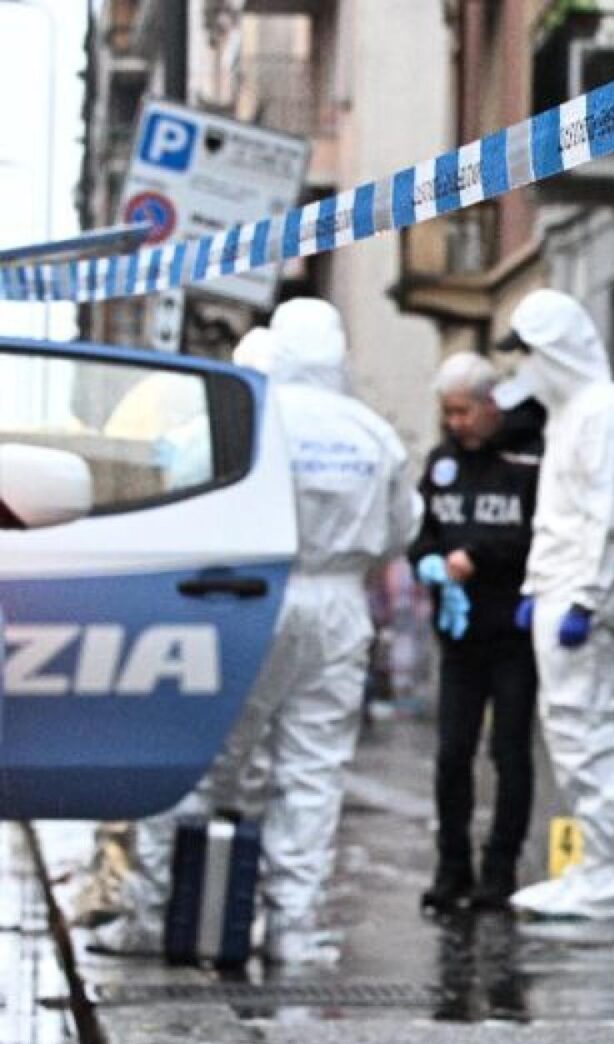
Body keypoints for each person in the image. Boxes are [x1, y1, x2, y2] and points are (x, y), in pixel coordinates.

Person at [98, 299, 412, 965]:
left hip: (244, 596)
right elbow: (399, 530)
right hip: (339, 605)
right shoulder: (370, 432)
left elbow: (176, 496)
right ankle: (294, 927)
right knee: (313, 770)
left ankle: (158, 913)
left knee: (200, 759)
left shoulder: (248, 416)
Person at [497, 288, 614, 919]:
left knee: (584, 734)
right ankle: (613, 861)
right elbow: (559, 516)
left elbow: (610, 518)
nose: (523, 367)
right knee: (573, 732)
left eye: (530, 353)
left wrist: (584, 598)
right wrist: (537, 588)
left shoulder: (605, 411)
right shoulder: (569, 413)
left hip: (581, 592)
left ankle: (602, 874)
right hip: (560, 586)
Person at [410, 352, 544, 913]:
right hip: (458, 637)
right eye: (448, 413)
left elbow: (539, 536)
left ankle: (500, 868)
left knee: (509, 752)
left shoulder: (528, 461)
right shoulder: (441, 465)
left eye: (464, 412)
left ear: (491, 406)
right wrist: (432, 561)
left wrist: (478, 556)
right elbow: (420, 535)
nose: (455, 423)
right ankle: (452, 867)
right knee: (451, 755)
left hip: (511, 631)